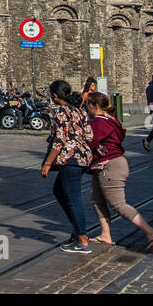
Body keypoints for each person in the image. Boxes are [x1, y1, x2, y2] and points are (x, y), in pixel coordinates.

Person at [86, 91, 153, 251]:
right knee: (97, 200)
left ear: (94, 106)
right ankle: (105, 235)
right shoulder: (111, 119)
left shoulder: (98, 122)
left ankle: (150, 231)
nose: (87, 109)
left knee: (119, 205)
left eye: (88, 106)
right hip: (107, 164)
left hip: (109, 165)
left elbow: (92, 142)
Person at [40, 79, 94, 253]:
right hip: (82, 158)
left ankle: (83, 240)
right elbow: (90, 135)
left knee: (73, 199)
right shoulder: (80, 111)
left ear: (55, 96)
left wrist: (47, 163)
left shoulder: (62, 111)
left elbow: (59, 141)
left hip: (70, 160)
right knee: (59, 191)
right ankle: (76, 231)